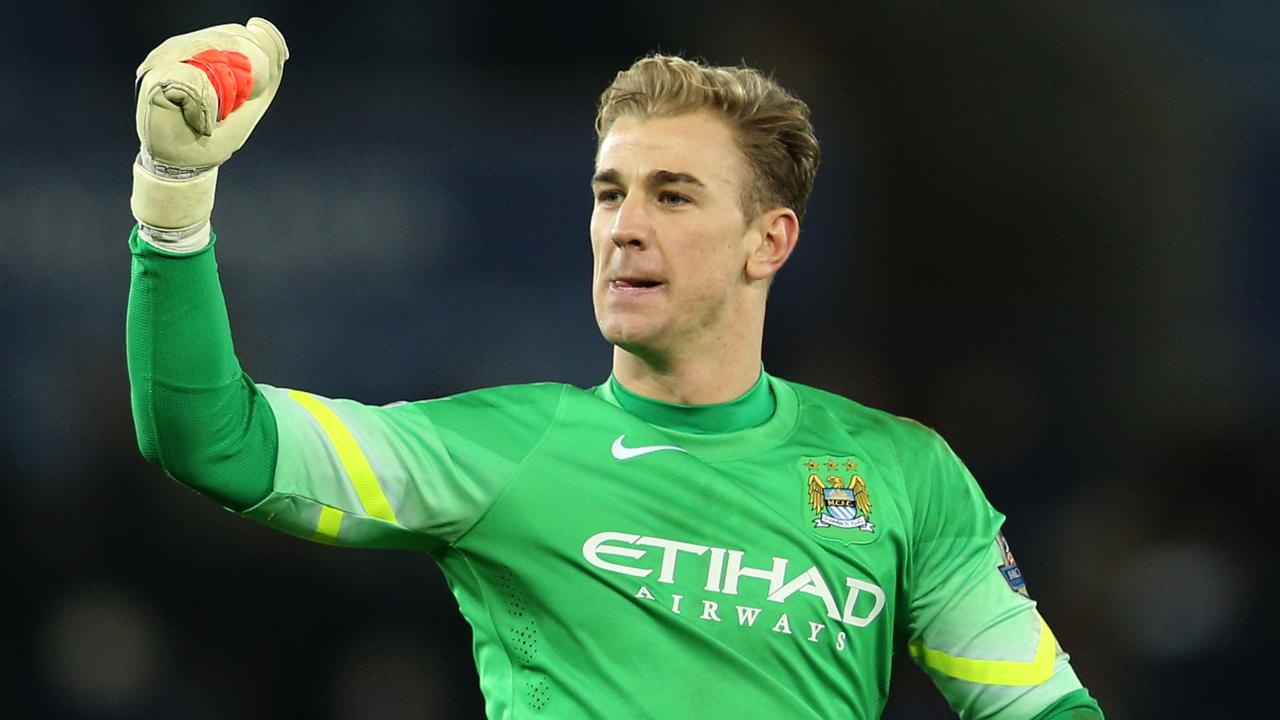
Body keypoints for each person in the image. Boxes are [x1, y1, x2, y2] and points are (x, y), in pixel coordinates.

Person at [126, 17, 1104, 720]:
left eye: (672, 196)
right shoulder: (503, 451)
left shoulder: (900, 473)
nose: (625, 228)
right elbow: (212, 439)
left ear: (768, 241)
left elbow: (1037, 706)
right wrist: (173, 195)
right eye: (609, 193)